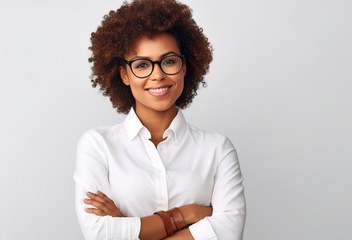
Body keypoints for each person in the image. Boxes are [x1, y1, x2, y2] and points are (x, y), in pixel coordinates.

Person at [74, 0, 246, 239]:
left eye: (168, 61)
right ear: (124, 74)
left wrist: (127, 227)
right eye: (142, 65)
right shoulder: (98, 145)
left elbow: (228, 233)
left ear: (184, 67)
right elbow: (99, 232)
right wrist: (183, 216)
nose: (158, 75)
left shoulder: (217, 149)